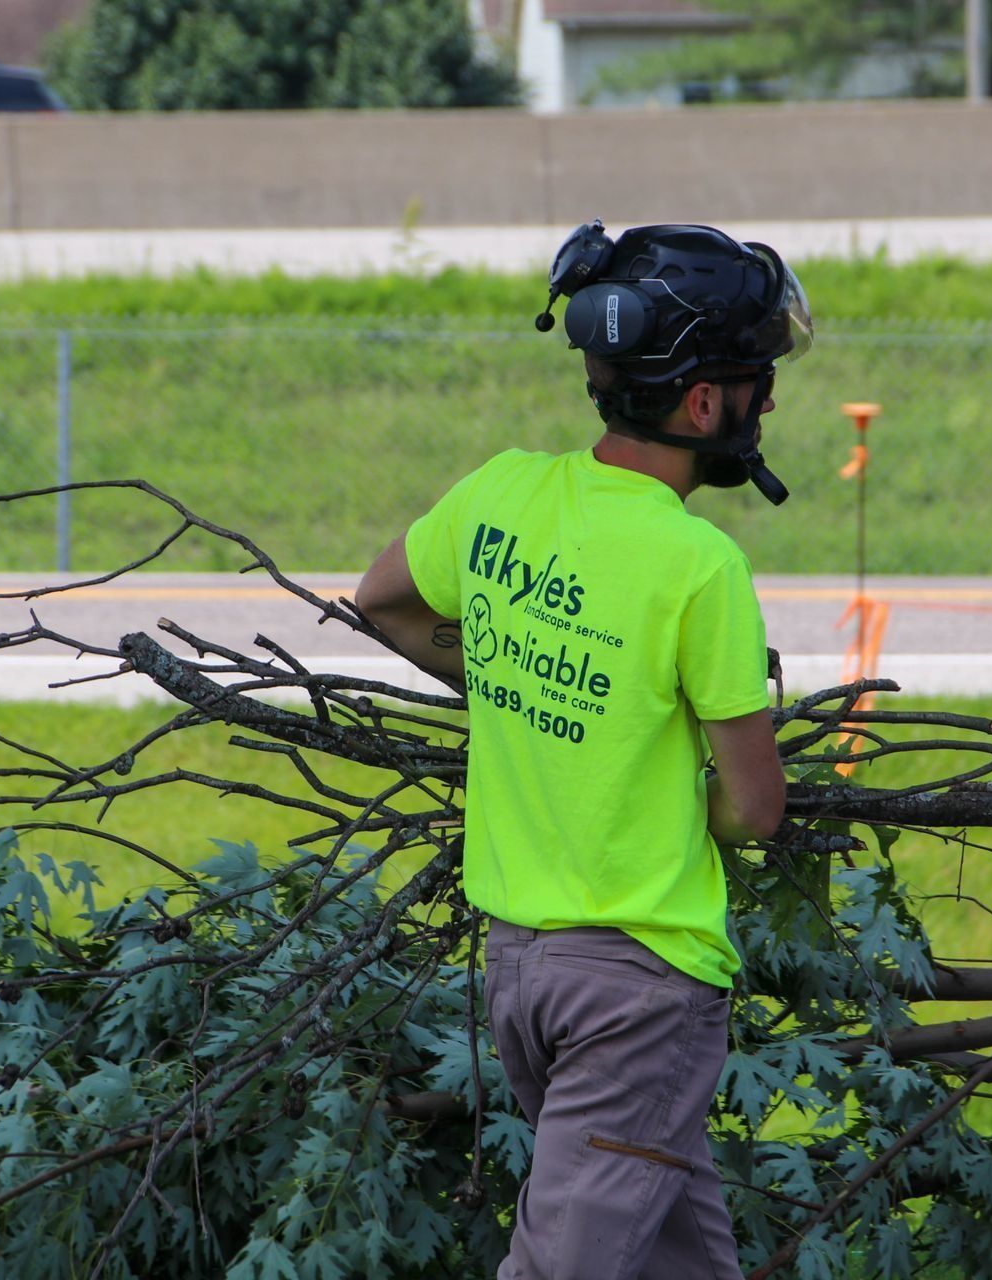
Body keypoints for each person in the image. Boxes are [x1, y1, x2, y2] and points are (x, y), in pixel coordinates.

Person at [353, 221, 812, 1279]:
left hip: (521, 970)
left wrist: (509, 682)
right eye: (758, 381)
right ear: (705, 404)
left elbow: (384, 599)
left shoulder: (502, 493)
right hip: (641, 988)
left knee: (677, 1258)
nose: (768, 404)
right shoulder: (699, 564)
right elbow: (753, 809)